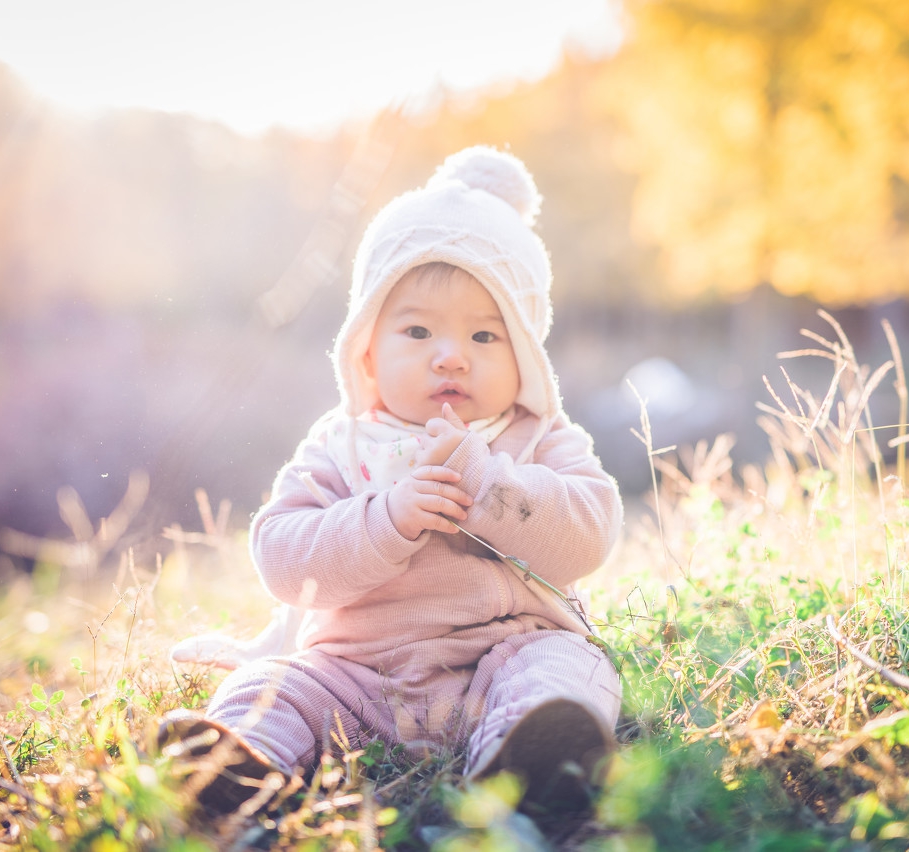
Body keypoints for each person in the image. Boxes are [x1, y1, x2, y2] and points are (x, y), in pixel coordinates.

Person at [158, 146, 624, 815]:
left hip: (502, 658)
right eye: (417, 329)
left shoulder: (535, 437)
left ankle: (536, 759)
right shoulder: (343, 445)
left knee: (571, 667)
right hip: (358, 676)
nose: (451, 355)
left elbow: (591, 532)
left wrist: (486, 482)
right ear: (367, 351)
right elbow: (282, 555)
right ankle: (237, 767)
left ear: (526, 355)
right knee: (278, 686)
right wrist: (385, 519)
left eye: (486, 337)